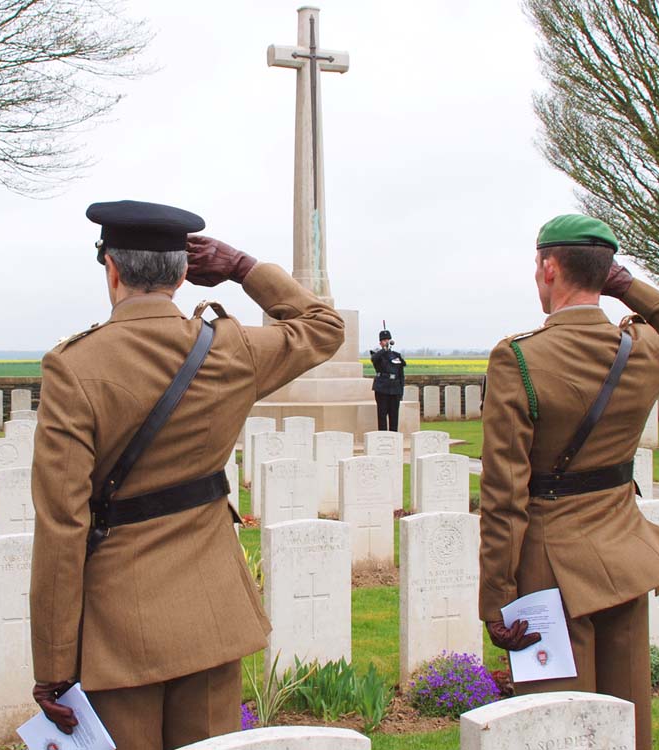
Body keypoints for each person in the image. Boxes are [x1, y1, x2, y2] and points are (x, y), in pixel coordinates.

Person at [28, 199, 345, 749]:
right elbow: (324, 326)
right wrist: (243, 267)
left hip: (120, 626)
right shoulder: (232, 348)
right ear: (182, 275)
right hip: (213, 614)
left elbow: (62, 523)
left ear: (112, 269)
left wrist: (54, 665)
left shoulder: (74, 366)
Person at [479, 214, 659, 750]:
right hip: (624, 555)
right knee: (628, 721)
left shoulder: (519, 359)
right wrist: (626, 286)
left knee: (559, 725)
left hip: (548, 566)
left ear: (549, 267)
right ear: (605, 274)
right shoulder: (644, 350)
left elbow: (504, 495)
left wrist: (497, 598)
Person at [370, 329, 406, 431]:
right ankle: (382, 436)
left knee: (394, 416)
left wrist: (401, 391)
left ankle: (394, 436)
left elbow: (401, 374)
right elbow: (374, 359)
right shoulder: (377, 354)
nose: (387, 342)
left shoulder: (396, 355)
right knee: (382, 415)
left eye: (388, 340)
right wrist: (384, 350)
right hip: (382, 388)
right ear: (380, 343)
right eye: (384, 340)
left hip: (395, 389)